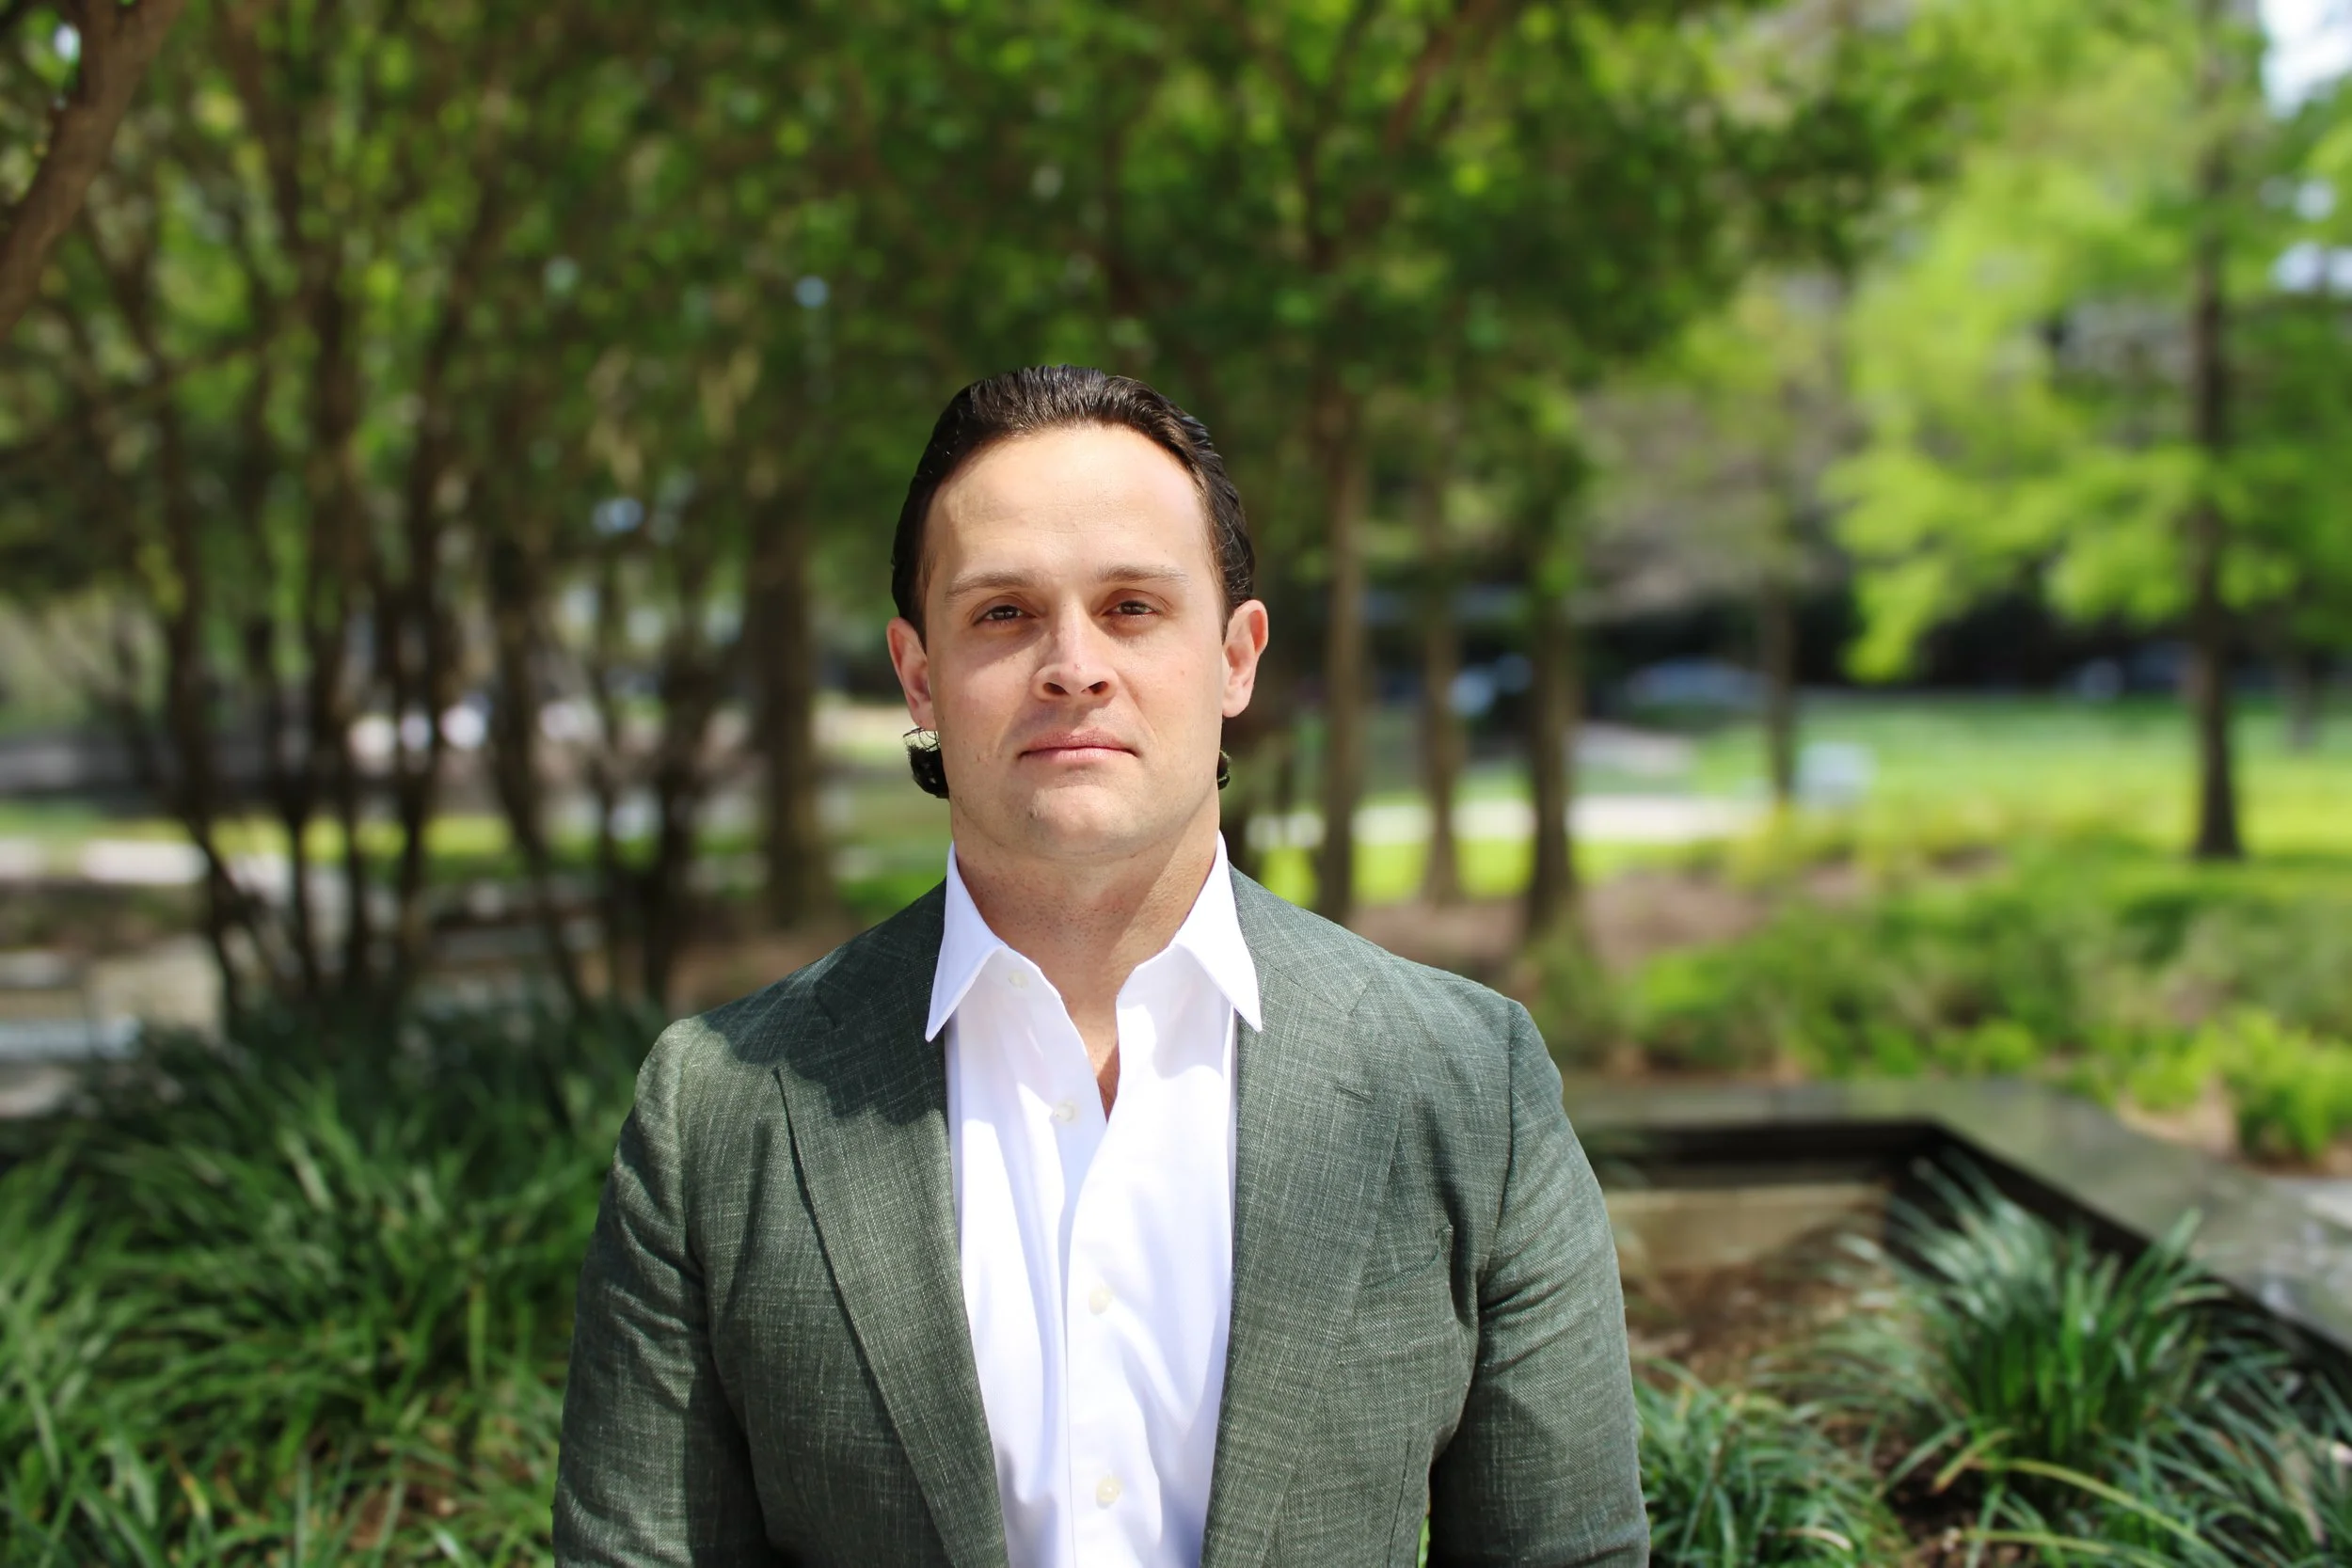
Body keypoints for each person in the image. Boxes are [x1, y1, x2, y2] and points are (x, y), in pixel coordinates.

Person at [553, 366, 1647, 1567]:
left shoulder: (1463, 1081)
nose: (1073, 664)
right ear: (919, 676)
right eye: (1004, 613)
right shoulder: (719, 1106)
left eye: (1132, 606)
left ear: (1236, 656)